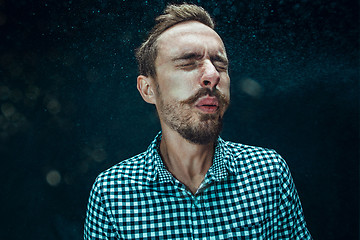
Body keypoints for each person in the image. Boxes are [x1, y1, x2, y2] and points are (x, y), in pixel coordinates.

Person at [84, 3, 312, 239]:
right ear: (148, 89)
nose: (212, 76)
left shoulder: (268, 174)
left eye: (220, 64)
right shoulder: (112, 193)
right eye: (188, 62)